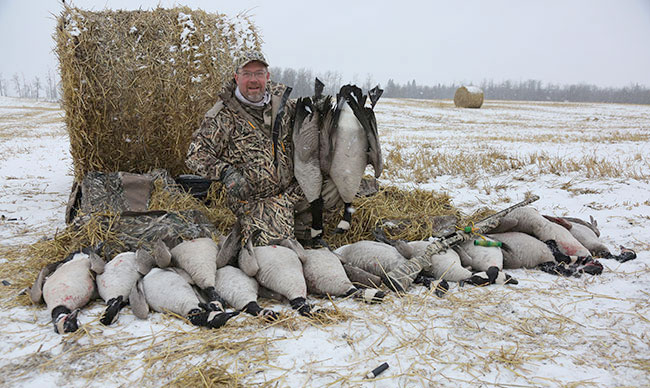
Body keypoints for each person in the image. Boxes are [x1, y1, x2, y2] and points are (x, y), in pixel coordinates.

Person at [186, 50, 318, 246]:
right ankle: (294, 227)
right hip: (254, 200)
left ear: (268, 76)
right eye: (247, 74)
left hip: (294, 191)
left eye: (258, 73)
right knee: (273, 248)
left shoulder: (285, 106)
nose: (253, 80)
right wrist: (226, 172)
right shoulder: (223, 115)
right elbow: (195, 154)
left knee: (336, 188)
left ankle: (299, 224)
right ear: (236, 77)